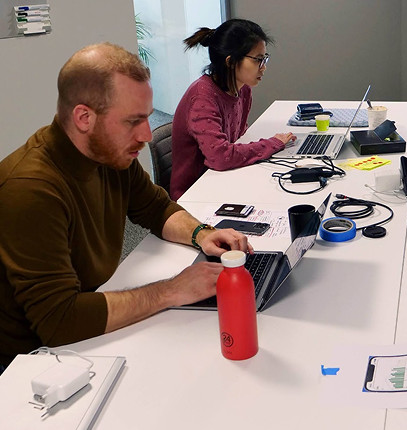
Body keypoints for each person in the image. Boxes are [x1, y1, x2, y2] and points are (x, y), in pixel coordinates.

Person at [0, 43, 253, 368]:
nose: (146, 135)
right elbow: (59, 321)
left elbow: (156, 208)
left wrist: (201, 234)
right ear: (84, 118)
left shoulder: (107, 153)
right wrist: (171, 290)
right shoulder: (31, 190)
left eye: (146, 118)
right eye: (133, 121)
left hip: (81, 326)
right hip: (31, 364)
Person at [170, 19, 296, 200]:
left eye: (264, 59)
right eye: (258, 60)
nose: (263, 67)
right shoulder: (202, 97)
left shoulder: (243, 89)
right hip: (194, 196)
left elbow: (238, 139)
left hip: (223, 179)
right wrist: (273, 143)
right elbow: (220, 156)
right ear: (230, 61)